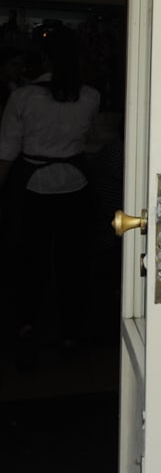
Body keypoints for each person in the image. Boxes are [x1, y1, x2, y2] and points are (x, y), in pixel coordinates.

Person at [0, 28, 101, 345]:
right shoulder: (90, 96)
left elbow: (6, 152)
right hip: (75, 186)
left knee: (30, 260)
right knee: (74, 262)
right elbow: (88, 141)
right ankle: (72, 331)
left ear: (42, 59)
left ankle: (27, 323)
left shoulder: (23, 96)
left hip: (33, 187)